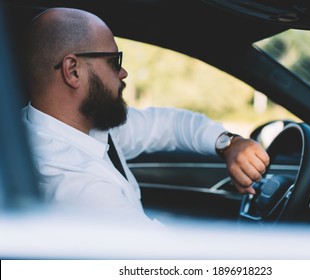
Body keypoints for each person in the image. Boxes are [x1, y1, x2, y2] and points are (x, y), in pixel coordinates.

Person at [21, 7, 269, 225]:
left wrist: (229, 143)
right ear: (73, 72)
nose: (124, 72)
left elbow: (168, 125)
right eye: (113, 61)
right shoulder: (78, 187)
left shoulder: (78, 127)